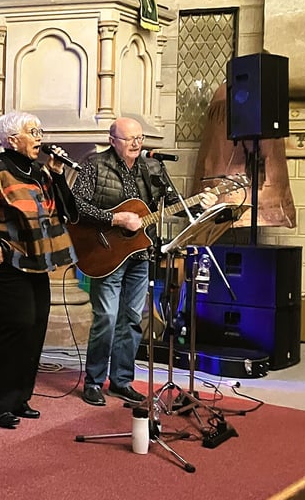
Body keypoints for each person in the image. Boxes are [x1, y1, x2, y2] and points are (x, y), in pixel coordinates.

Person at [73, 117, 215, 407]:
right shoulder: (95, 165)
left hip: (140, 254)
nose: (136, 143)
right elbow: (76, 205)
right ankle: (94, 381)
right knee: (107, 318)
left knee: (132, 319)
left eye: (139, 138)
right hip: (106, 253)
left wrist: (200, 203)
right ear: (113, 141)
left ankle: (121, 381)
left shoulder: (153, 167)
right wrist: (115, 218)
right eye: (129, 139)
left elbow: (173, 204)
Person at [0, 111, 78, 429]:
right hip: (5, 264)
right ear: (13, 140)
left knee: (35, 328)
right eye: (32, 132)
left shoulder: (40, 173)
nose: (40, 137)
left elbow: (66, 212)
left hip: (37, 262)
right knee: (15, 327)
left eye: (40, 131)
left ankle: (19, 398)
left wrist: (58, 174)